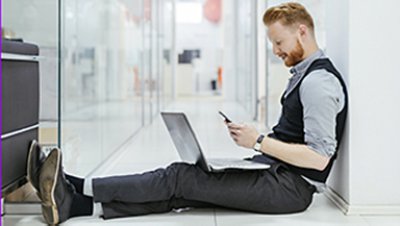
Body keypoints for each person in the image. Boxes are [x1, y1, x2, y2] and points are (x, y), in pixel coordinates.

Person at [28, 2, 348, 225]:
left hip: (290, 189)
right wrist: (257, 146)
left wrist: (259, 140)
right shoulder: (305, 75)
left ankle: (77, 184)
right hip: (276, 173)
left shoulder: (318, 82)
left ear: (302, 31)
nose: (276, 50)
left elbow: (319, 159)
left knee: (180, 177)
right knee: (182, 190)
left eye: (279, 41)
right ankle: (73, 204)